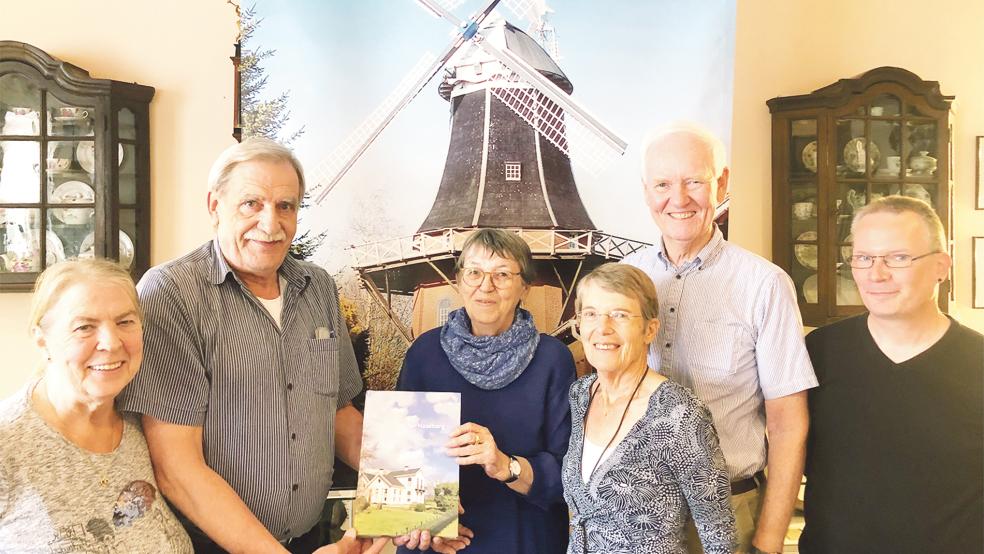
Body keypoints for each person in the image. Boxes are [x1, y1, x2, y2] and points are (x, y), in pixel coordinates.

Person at [117, 137, 384, 554]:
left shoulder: (318, 287)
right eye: (251, 204)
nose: (270, 223)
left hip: (310, 540)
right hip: (211, 546)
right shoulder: (171, 293)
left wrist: (419, 495)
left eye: (285, 206)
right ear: (214, 206)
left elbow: (339, 414)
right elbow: (176, 468)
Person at [622, 123, 818, 554]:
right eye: (662, 184)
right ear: (646, 192)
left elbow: (787, 425)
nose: (678, 199)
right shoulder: (624, 280)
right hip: (635, 513)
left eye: (694, 181)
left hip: (731, 511)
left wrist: (769, 540)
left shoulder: (764, 285)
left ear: (721, 183)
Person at [799, 196, 983, 553]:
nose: (876, 274)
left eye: (898, 258)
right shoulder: (818, 352)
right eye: (863, 258)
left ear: (941, 266)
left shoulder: (977, 362)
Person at [396, 228, 576, 553]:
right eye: (474, 272)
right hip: (440, 543)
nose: (486, 285)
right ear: (459, 281)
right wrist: (418, 521)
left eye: (502, 274)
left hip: (523, 539)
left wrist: (506, 465)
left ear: (525, 287)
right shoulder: (424, 353)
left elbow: (569, 471)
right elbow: (400, 454)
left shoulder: (553, 360)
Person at [0, 259, 192, 552]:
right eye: (84, 327)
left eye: (125, 322)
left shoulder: (147, 423)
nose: (111, 343)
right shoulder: (7, 444)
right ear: (42, 341)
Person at [562, 263, 736, 554]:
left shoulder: (680, 415)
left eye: (619, 315)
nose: (603, 328)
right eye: (591, 314)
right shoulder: (581, 395)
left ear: (650, 329)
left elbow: (719, 536)